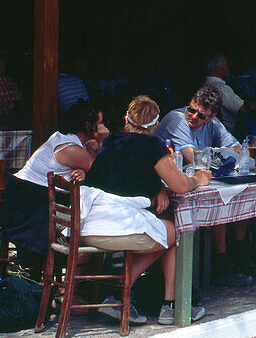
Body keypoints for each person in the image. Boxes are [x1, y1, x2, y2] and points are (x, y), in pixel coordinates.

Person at [83, 95, 213, 325]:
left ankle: (117, 295)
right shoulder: (153, 145)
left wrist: (158, 189)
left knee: (161, 233)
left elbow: (126, 180)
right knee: (175, 233)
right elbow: (181, 186)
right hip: (119, 228)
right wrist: (198, 178)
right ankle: (169, 305)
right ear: (155, 124)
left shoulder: (111, 141)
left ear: (126, 119)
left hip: (89, 228)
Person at [153, 85, 248, 285]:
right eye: (191, 109)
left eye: (201, 115)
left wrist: (230, 156)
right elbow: (192, 160)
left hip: (191, 183)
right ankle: (187, 279)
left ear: (212, 116)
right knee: (220, 200)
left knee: (228, 199)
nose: (194, 116)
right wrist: (222, 159)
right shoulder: (177, 119)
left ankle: (223, 264)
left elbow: (239, 149)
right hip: (161, 188)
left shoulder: (213, 124)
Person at [1, 101, 107, 274]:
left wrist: (88, 164)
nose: (103, 127)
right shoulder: (71, 149)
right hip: (29, 207)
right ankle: (74, 285)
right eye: (100, 123)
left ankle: (75, 283)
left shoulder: (64, 137)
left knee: (86, 213)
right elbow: (103, 174)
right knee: (90, 221)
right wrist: (101, 142)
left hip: (25, 198)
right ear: (88, 125)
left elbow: (90, 163)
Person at [203, 52, 245, 133]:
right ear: (218, 69)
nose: (228, 67)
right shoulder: (221, 88)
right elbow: (242, 109)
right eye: (226, 64)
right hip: (229, 132)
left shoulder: (204, 85)